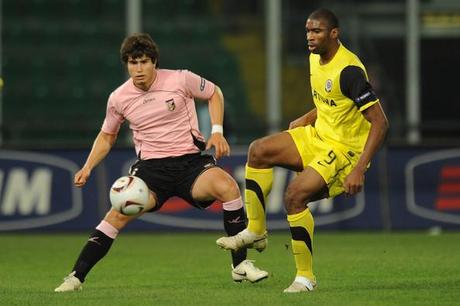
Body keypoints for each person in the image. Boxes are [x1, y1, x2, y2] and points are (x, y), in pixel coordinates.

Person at [54, 33, 268, 292]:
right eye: (133, 63)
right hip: (151, 170)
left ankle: (240, 266)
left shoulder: (179, 79)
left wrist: (217, 130)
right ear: (127, 65)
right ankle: (76, 277)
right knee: (116, 216)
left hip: (190, 163)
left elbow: (214, 93)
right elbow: (107, 136)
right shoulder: (119, 98)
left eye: (144, 61)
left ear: (154, 62)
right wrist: (88, 167)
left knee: (229, 188)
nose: (139, 68)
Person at [216, 8, 389, 293]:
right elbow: (332, 102)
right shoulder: (314, 58)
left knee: (294, 196)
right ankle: (256, 231)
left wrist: (359, 168)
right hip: (318, 135)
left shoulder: (348, 71)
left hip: (344, 152)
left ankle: (305, 277)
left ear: (334, 33)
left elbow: (380, 123)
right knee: (258, 150)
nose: (310, 37)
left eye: (317, 31)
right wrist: (307, 118)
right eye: (308, 31)